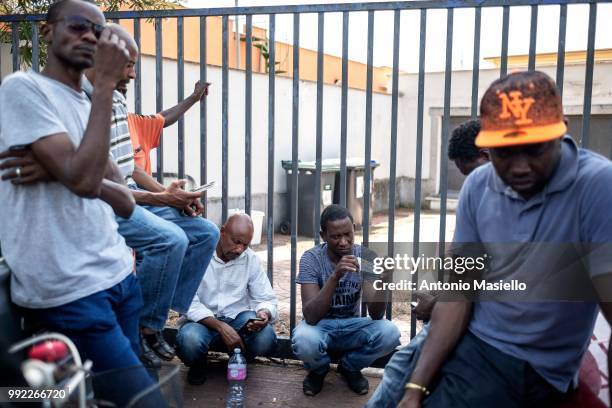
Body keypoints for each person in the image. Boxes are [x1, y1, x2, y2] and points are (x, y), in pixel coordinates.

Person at [0, 23, 220, 369]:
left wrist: (168, 193)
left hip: (123, 194)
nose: (132, 73)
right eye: (127, 63)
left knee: (206, 232)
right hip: (96, 206)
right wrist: (161, 199)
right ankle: (146, 327)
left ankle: (155, 320)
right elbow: (86, 178)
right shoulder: (62, 98)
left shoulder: (115, 101)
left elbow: (125, 169)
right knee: (170, 240)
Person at [396, 71, 612, 408]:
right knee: (395, 383)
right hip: (472, 343)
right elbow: (457, 295)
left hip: (531, 369)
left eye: (534, 149)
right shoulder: (478, 186)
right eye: (504, 153)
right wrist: (414, 390)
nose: (520, 167)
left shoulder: (597, 186)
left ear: (562, 131)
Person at [0, 0, 159, 405]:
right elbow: (87, 179)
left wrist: (61, 170)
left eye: (98, 31)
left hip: (120, 279)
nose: (89, 36)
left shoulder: (88, 106)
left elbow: (124, 200)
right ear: (47, 30)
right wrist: (104, 86)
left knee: (99, 400)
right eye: (77, 26)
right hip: (69, 294)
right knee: (142, 401)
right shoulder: (24, 88)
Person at [292, 204, 400, 396]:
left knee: (390, 332)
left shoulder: (365, 257)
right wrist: (335, 276)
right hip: (321, 326)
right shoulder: (311, 259)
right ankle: (318, 370)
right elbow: (310, 316)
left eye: (348, 234)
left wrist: (385, 280)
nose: (343, 242)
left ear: (354, 231)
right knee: (303, 340)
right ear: (323, 235)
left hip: (351, 326)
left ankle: (349, 367)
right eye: (335, 237)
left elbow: (376, 314)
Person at [176, 213, 278, 385]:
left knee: (266, 336)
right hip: (201, 323)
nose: (240, 250)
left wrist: (264, 312)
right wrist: (221, 327)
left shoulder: (250, 259)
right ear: (222, 231)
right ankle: (198, 364)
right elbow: (187, 301)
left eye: (245, 245)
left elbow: (265, 297)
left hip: (238, 322)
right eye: (236, 242)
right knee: (189, 340)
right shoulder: (198, 254)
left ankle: (239, 358)